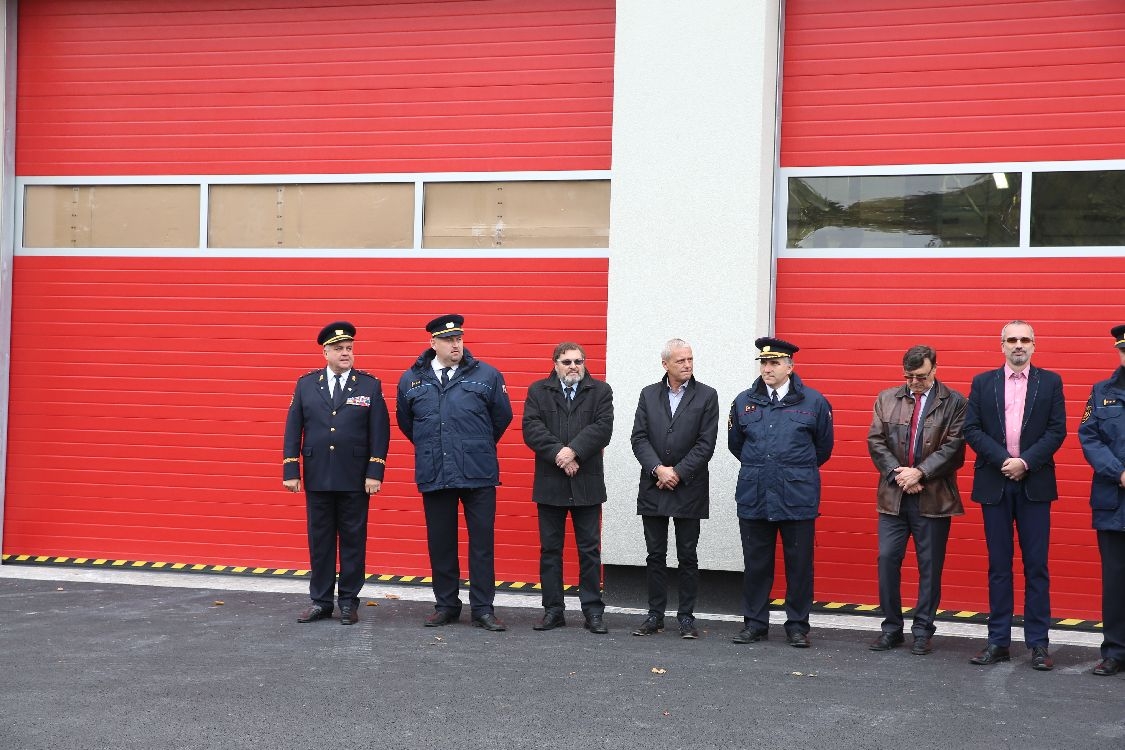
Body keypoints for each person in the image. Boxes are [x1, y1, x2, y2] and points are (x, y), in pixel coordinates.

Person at [396, 314, 513, 632]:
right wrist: (434, 446)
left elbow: (501, 418)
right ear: (433, 343)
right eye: (448, 340)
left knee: (481, 543)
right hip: (435, 471)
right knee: (441, 542)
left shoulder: (486, 375)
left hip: (478, 473)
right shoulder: (411, 380)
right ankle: (446, 604)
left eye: (459, 338)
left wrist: (475, 447)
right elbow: (409, 424)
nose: (456, 343)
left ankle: (483, 608)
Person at [963, 320, 1066, 670]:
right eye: (1011, 339)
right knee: (999, 567)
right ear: (1001, 345)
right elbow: (971, 430)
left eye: (1024, 339)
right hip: (995, 482)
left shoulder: (1050, 382)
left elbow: (1057, 430)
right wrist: (1005, 461)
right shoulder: (983, 382)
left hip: (1034, 483)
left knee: (1036, 566)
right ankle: (998, 642)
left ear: (1034, 345)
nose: (1018, 345)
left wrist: (1025, 462)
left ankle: (1038, 644)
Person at [727, 337, 833, 648]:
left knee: (799, 566)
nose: (767, 368)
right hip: (755, 495)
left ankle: (797, 626)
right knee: (757, 564)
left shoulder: (813, 402)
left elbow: (822, 448)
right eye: (763, 363)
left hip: (797, 497)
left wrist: (792, 472)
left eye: (774, 363)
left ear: (790, 366)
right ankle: (755, 624)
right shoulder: (743, 401)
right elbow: (737, 446)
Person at [283, 321, 390, 625]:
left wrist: (375, 472)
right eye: (339, 349)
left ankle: (348, 602)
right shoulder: (306, 385)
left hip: (355, 477)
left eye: (349, 348)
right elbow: (293, 428)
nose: (346, 353)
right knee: (320, 541)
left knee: (354, 540)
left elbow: (379, 432)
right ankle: (320, 601)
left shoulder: (369, 385)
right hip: (318, 475)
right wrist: (291, 469)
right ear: (325, 352)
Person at [866, 345, 967, 655]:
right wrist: (900, 475)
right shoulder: (886, 398)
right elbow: (876, 440)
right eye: (908, 376)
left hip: (934, 499)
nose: (914, 382)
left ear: (935, 369)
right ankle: (892, 628)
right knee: (887, 560)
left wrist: (920, 473)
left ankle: (923, 629)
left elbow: (954, 448)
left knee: (930, 567)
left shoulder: (955, 402)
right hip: (894, 495)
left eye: (920, 376)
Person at [630, 339, 720, 639]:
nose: (687, 365)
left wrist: (677, 473)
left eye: (690, 359)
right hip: (654, 485)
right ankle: (654, 615)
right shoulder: (648, 394)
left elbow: (705, 444)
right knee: (655, 555)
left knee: (687, 555)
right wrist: (658, 469)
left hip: (688, 487)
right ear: (665, 364)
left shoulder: (707, 396)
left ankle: (686, 618)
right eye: (681, 360)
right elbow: (639, 438)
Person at [521, 342, 614, 634]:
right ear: (555, 364)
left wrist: (573, 451)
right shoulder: (538, 391)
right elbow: (532, 428)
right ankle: (553, 611)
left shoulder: (600, 391)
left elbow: (603, 428)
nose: (573, 366)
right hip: (551, 483)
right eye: (567, 361)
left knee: (589, 550)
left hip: (587, 483)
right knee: (551, 551)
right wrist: (561, 456)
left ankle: (592, 612)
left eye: (578, 361)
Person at [1076, 324, 1125, 677]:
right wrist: (1119, 472)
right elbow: (1089, 437)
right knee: (1115, 580)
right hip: (1114, 500)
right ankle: (1115, 651)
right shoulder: (1101, 392)